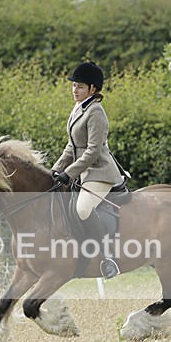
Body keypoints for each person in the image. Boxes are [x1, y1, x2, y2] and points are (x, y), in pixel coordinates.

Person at [51, 61, 125, 280]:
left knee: (82, 209)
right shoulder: (78, 109)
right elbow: (71, 146)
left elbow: (92, 151)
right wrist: (55, 171)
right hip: (82, 172)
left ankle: (107, 257)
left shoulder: (96, 112)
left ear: (93, 89)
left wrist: (69, 173)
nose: (75, 90)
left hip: (99, 173)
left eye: (80, 86)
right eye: (74, 86)